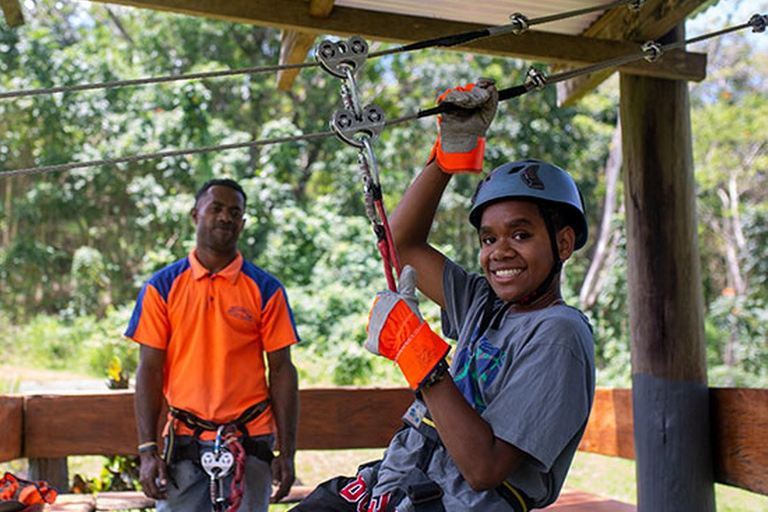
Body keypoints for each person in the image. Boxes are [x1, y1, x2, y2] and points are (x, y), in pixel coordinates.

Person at [291, 79, 595, 512]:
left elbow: (484, 469)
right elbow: (400, 244)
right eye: (488, 239)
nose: (499, 252)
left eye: (521, 234)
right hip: (395, 485)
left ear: (563, 245)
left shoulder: (558, 334)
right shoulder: (484, 304)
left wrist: (420, 358)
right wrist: (447, 157)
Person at [125, 178, 300, 512]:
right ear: (195, 215)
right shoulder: (161, 288)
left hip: (250, 442)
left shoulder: (266, 289)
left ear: (243, 223)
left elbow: (282, 370)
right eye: (215, 208)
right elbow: (149, 369)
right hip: (183, 443)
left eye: (235, 212)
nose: (225, 218)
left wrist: (287, 453)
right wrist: (148, 451)